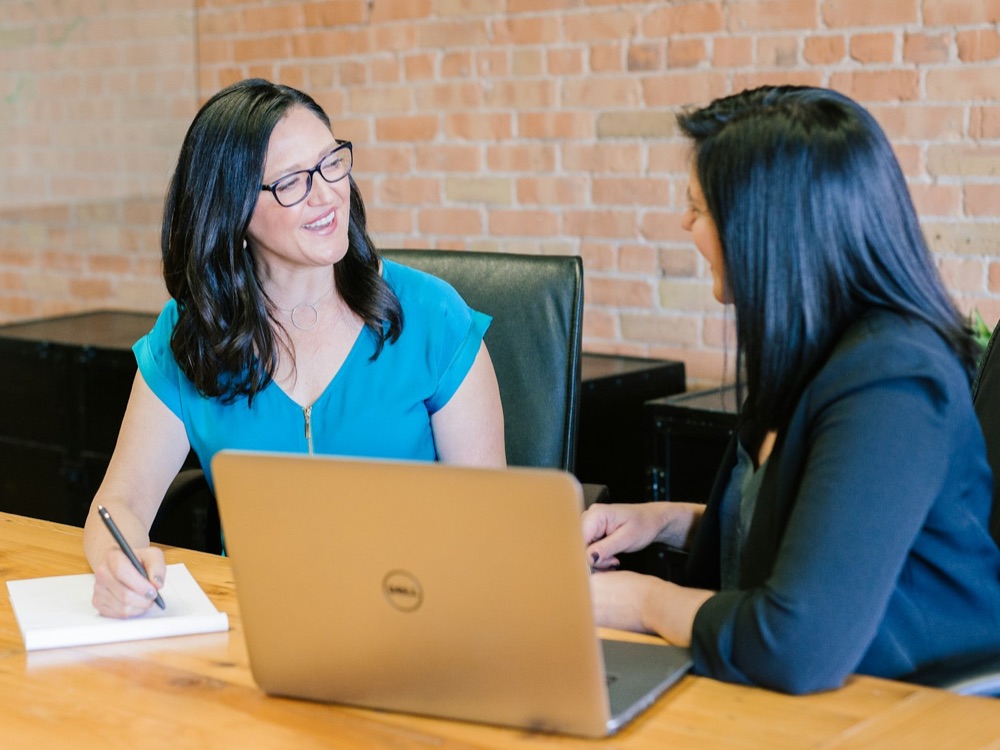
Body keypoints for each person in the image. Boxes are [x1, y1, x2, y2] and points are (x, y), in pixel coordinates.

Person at [583, 85, 1000, 694]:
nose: (685, 223)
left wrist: (641, 602)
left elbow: (794, 643)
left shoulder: (894, 380)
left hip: (913, 705)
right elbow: (807, 533)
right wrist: (664, 521)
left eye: (698, 207)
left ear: (765, 228)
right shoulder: (809, 351)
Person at [84, 79, 505, 618]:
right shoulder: (192, 336)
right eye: (291, 182)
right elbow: (119, 502)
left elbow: (489, 522)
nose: (327, 194)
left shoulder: (432, 316)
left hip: (413, 615)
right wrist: (116, 565)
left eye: (331, 164)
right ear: (233, 210)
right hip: (256, 622)